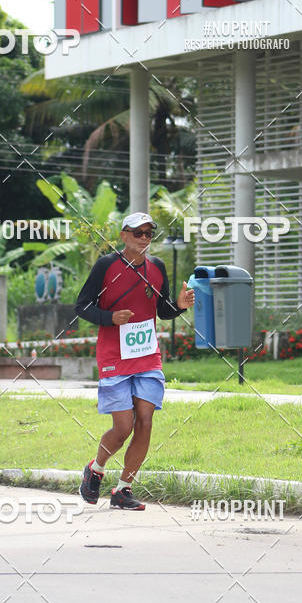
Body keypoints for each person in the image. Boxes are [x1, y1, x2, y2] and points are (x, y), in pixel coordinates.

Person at [75, 212, 195, 510]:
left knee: (145, 422)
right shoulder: (106, 266)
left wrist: (178, 306)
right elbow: (82, 306)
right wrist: (109, 318)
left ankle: (123, 489)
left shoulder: (156, 267)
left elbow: (162, 309)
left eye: (148, 233)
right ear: (124, 235)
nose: (144, 238)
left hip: (147, 356)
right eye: (137, 232)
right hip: (114, 357)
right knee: (123, 427)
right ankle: (96, 468)